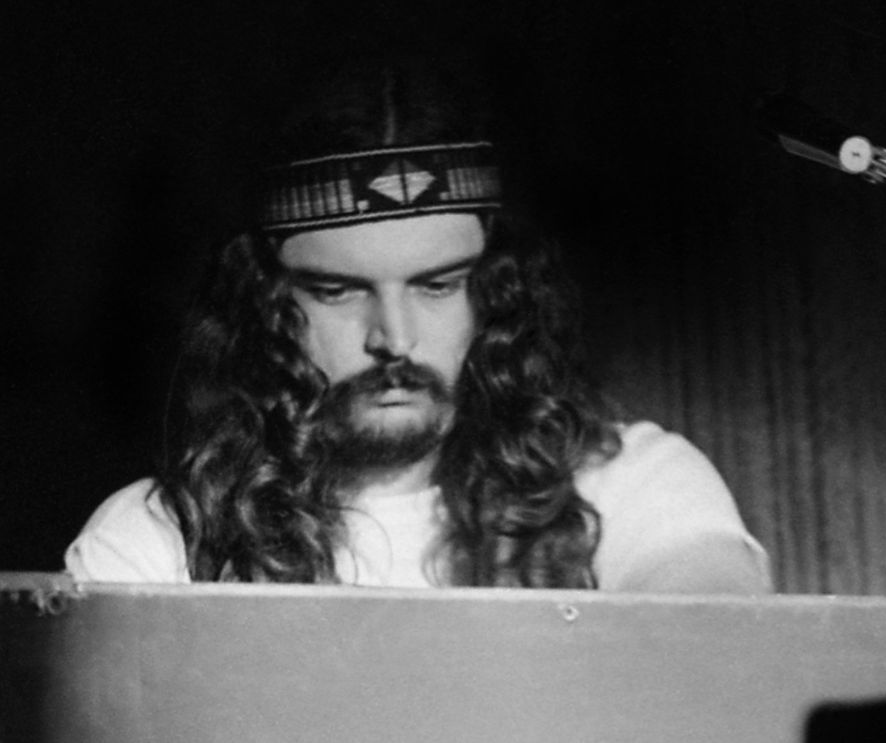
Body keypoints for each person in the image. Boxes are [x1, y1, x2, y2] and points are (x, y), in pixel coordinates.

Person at [64, 51, 771, 594]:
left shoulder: (631, 486)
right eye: (338, 291)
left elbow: (711, 654)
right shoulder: (155, 543)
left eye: (437, 285)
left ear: (497, 293)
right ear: (264, 305)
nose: (393, 339)